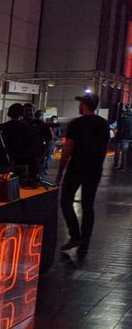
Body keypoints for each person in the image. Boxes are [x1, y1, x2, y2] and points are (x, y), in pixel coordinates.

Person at [59, 93, 112, 255]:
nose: (78, 106)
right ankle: (85, 241)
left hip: (76, 167)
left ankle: (75, 235)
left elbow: (68, 148)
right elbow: (105, 147)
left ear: (85, 105)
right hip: (94, 169)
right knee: (88, 205)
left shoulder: (76, 124)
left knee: (66, 201)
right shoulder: (103, 124)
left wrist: (60, 171)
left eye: (80, 103)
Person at [0, 102, 37, 183]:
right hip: (19, 163)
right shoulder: (26, 128)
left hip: (1, 163)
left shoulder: (1, 127)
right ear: (22, 113)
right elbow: (29, 146)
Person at [31, 109, 54, 182]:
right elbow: (50, 139)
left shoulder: (32, 124)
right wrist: (43, 154)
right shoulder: (43, 125)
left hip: (35, 150)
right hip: (38, 150)